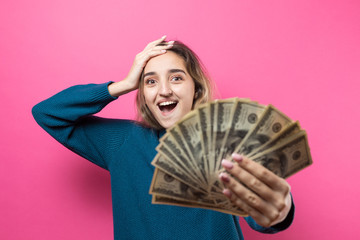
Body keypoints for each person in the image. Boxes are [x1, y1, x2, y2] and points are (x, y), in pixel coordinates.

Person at [32, 36, 294, 240]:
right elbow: (48, 113)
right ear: (141, 91)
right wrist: (122, 85)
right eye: (150, 82)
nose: (164, 90)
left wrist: (279, 211)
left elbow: (262, 216)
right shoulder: (124, 142)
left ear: (196, 88)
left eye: (176, 78)